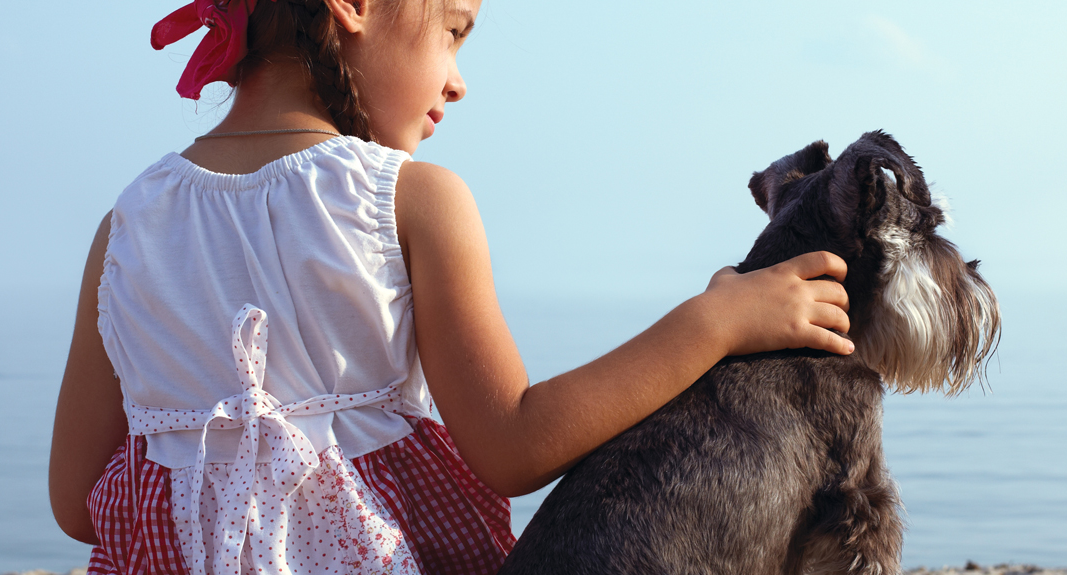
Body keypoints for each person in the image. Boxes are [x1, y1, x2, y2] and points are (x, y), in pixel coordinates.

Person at [47, 0, 855, 574]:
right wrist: (714, 322)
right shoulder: (408, 197)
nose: (458, 80)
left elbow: (80, 502)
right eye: (453, 31)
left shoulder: (125, 227)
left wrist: (219, 481)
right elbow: (513, 443)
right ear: (353, 5)